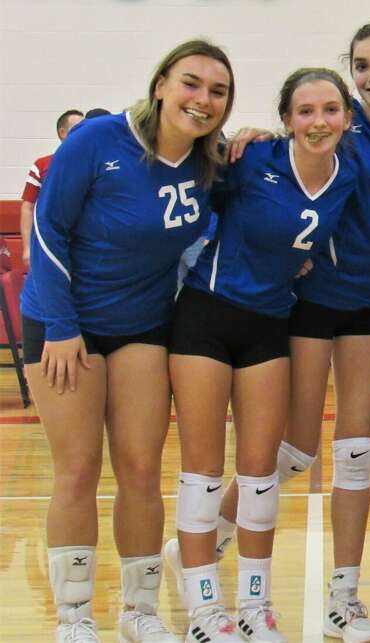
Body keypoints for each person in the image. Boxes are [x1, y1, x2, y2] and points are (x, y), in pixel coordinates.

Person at [19, 39, 233, 643]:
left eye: (217, 91)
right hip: (64, 324)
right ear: (161, 84)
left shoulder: (208, 162)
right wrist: (62, 327)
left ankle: (140, 612)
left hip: (141, 326)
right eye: (191, 83)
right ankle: (75, 618)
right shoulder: (100, 140)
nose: (202, 100)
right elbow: (47, 228)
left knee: (140, 469)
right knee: (79, 469)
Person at [169, 67, 356, 643]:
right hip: (206, 314)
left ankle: (256, 607)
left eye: (329, 110)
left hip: (270, 326)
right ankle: (204, 608)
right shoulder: (253, 158)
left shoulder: (347, 176)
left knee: (260, 476)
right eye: (305, 111)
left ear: (347, 119)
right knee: (202, 475)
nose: (318, 122)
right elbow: (193, 192)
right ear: (286, 120)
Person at [19, 109, 83, 264]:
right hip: (51, 243)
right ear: (62, 132)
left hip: (84, 245)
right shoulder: (42, 165)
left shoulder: (93, 165)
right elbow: (27, 207)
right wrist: (27, 247)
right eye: (78, 129)